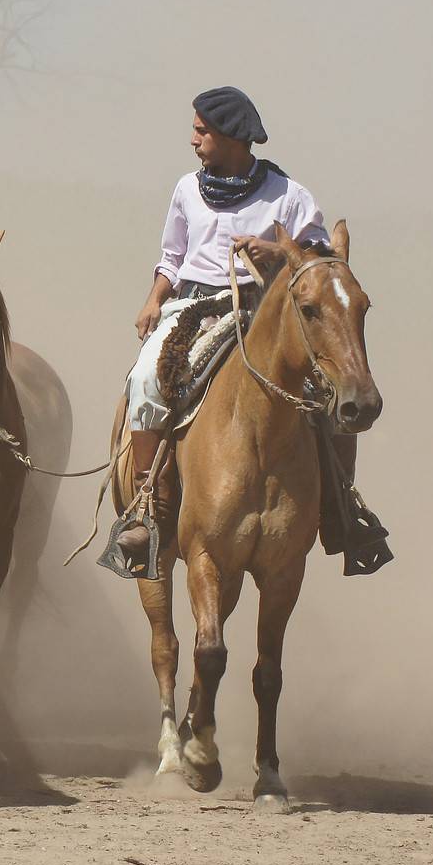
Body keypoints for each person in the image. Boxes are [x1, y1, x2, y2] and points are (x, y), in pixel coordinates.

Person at [113, 86, 329, 571]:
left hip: (264, 313)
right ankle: (148, 507)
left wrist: (278, 253)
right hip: (193, 309)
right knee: (144, 381)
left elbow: (321, 256)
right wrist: (153, 298)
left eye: (200, 130)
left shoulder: (288, 195)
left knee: (327, 393)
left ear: (230, 136)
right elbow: (171, 257)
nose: (193, 140)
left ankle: (342, 510)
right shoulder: (187, 188)